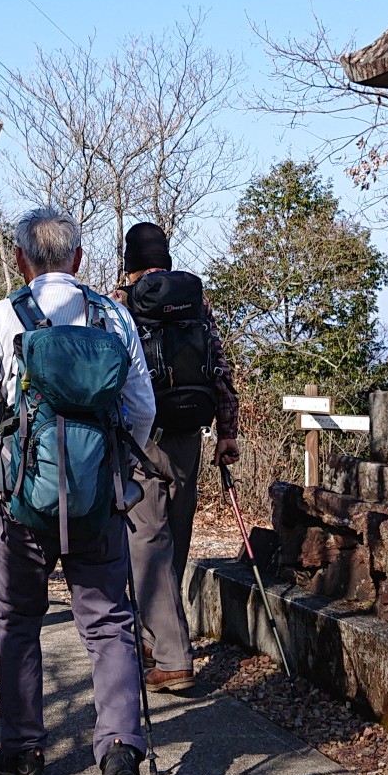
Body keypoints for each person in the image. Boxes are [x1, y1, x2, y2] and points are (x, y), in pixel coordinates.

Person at [0, 206, 155, 775]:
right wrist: (116, 471)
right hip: (97, 499)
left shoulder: (1, 317)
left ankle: (24, 754)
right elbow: (141, 407)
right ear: (77, 258)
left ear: (22, 259)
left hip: (23, 502)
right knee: (109, 624)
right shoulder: (113, 317)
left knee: (18, 620)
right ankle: (120, 750)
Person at [114, 222, 240, 693]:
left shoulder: (121, 305)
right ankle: (154, 640)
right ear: (165, 260)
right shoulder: (196, 304)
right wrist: (227, 432)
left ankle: (173, 658)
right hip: (190, 436)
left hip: (142, 439)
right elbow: (219, 370)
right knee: (174, 539)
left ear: (130, 264)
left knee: (146, 543)